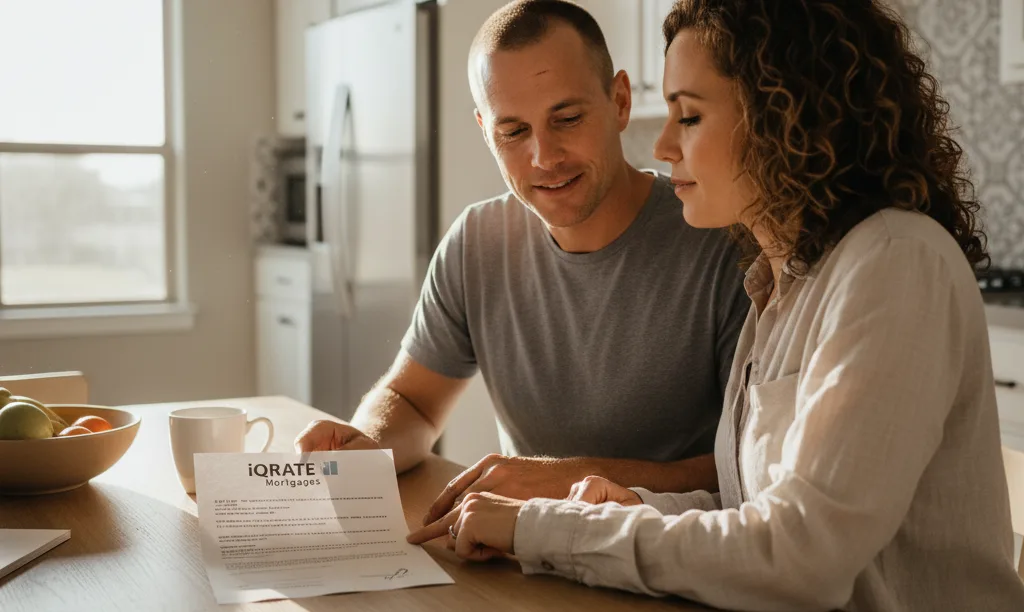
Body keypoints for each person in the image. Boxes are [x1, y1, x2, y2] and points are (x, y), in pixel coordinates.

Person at [407, 1, 1024, 609]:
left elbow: (801, 555)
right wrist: (630, 506)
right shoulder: (778, 286)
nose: (665, 145)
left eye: (689, 117)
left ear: (784, 118)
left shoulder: (896, 262)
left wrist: (538, 529)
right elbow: (748, 507)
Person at [294, 0, 749, 524]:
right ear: (485, 130)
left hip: (671, 565)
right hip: (522, 558)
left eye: (568, 118)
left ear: (619, 101)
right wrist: (369, 441)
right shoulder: (477, 242)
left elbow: (746, 468)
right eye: (513, 132)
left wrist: (564, 478)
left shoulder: (720, 240)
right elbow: (413, 401)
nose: (544, 157)